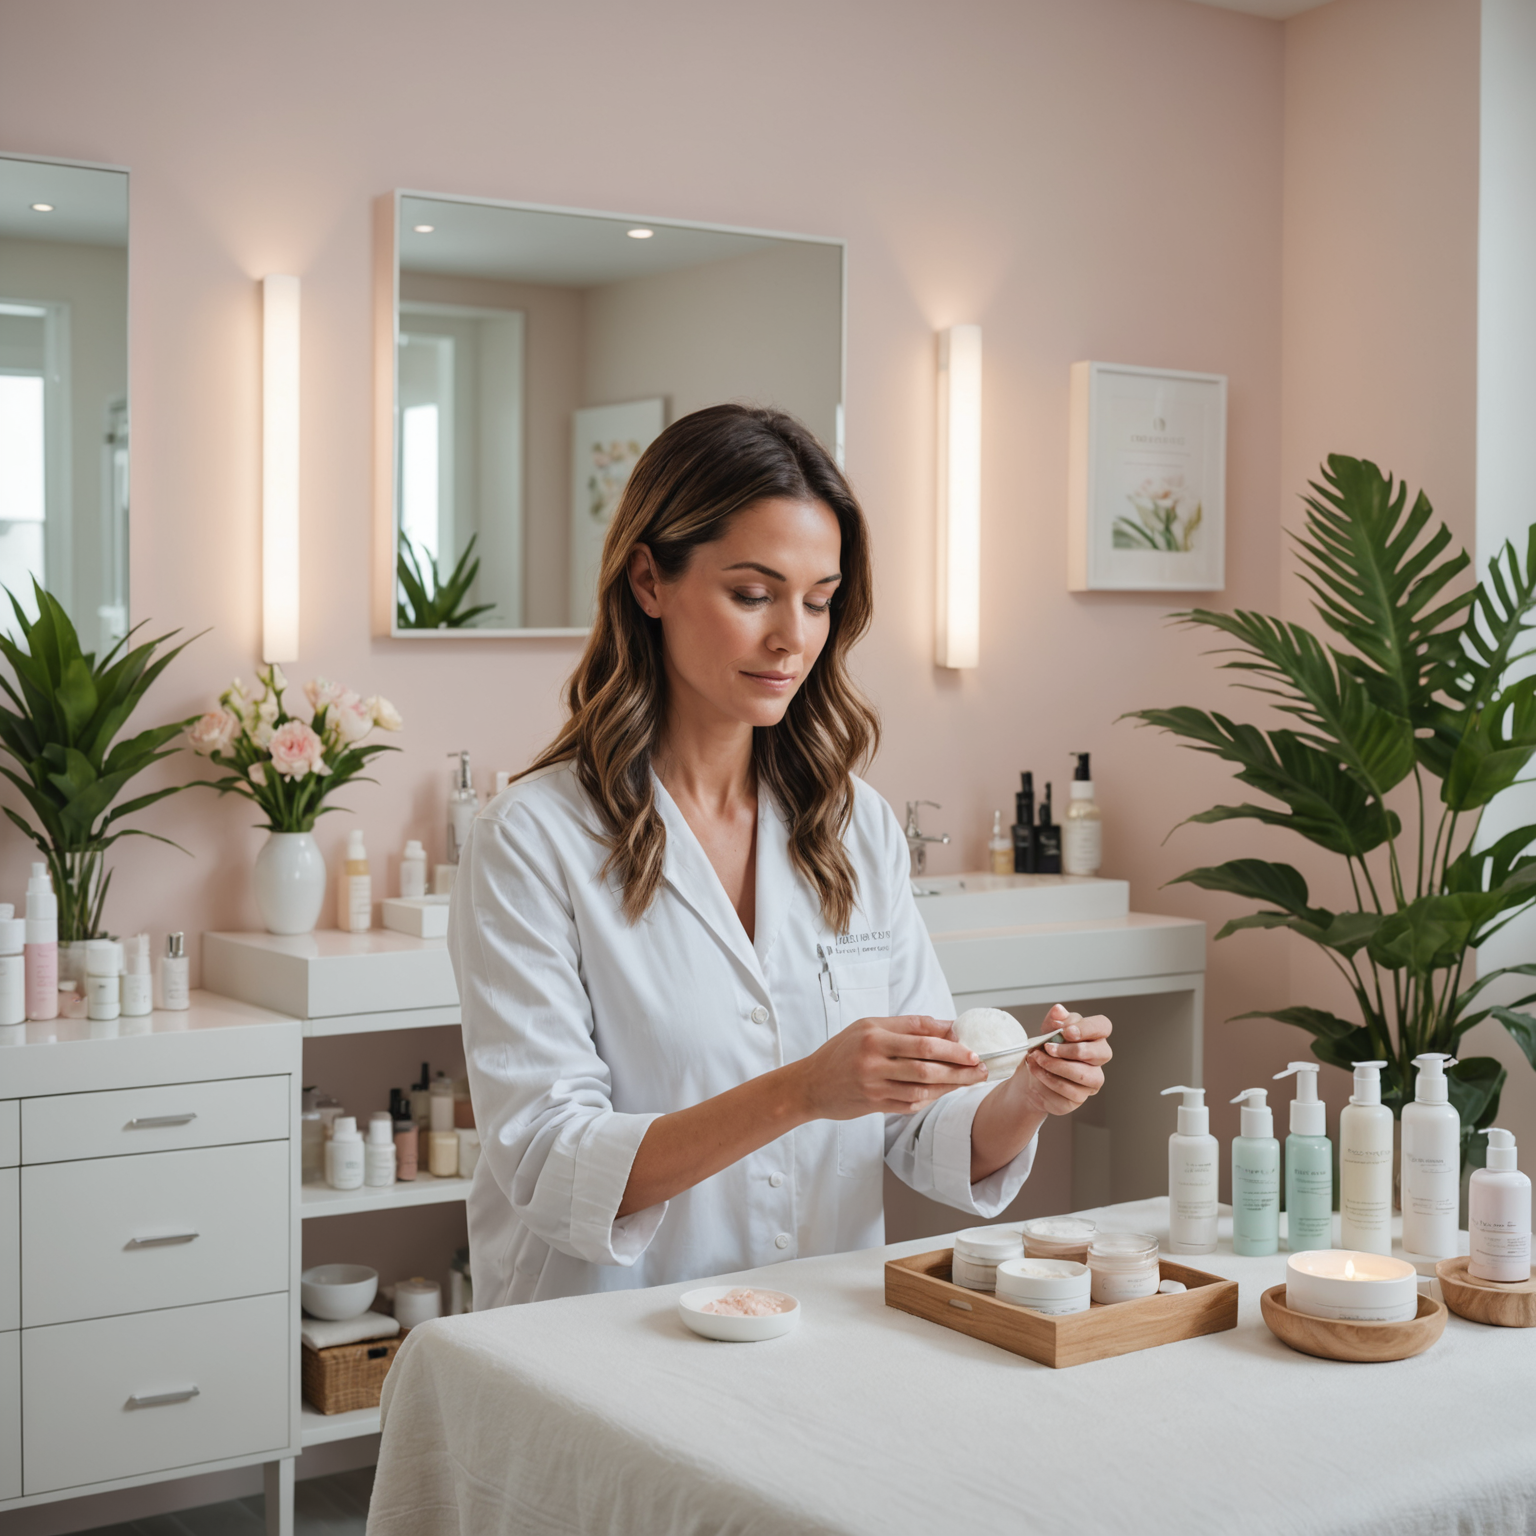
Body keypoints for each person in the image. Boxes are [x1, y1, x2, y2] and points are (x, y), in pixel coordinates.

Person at [448, 404, 1113, 1307]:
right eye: (753, 594)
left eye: (819, 599)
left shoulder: (853, 828)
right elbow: (549, 1163)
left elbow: (918, 1130)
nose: (793, 638)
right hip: (605, 1341)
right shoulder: (532, 839)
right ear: (650, 580)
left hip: (814, 1331)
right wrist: (802, 1091)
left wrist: (1026, 1094)